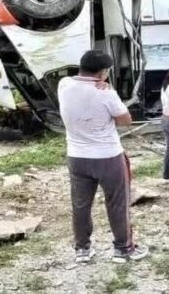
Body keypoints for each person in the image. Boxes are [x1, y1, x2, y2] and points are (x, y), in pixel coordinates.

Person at [57, 50, 149, 264]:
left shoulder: (64, 85)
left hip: (76, 156)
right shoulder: (106, 93)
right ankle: (123, 249)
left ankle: (82, 250)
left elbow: (77, 86)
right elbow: (125, 120)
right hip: (108, 156)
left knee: (80, 205)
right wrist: (109, 89)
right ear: (103, 72)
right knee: (117, 203)